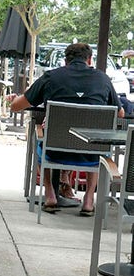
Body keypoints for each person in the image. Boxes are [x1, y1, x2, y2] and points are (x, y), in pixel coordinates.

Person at [6, 42, 124, 216]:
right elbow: (120, 113)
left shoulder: (51, 77)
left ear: (65, 61)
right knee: (97, 145)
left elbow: (17, 106)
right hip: (91, 154)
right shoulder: (103, 79)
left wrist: (14, 99)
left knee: (39, 138)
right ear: (89, 60)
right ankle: (89, 200)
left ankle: (50, 195)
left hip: (55, 151)